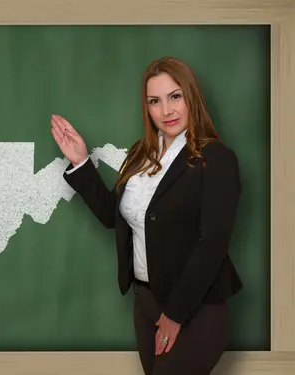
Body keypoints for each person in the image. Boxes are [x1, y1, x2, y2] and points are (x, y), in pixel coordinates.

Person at [50, 56, 243, 375]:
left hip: (195, 308)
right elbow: (117, 219)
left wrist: (176, 315)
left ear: (191, 97)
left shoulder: (216, 159)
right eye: (155, 101)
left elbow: (212, 243)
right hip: (147, 303)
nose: (166, 110)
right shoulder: (141, 154)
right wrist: (82, 162)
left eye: (175, 96)